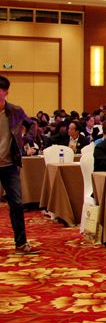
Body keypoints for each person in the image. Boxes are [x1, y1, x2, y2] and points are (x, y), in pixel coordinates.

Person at [0, 76, 40, 254]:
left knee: (16, 204)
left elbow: (32, 125)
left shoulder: (15, 111)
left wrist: (24, 140)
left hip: (9, 165)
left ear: (6, 93)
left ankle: (21, 243)